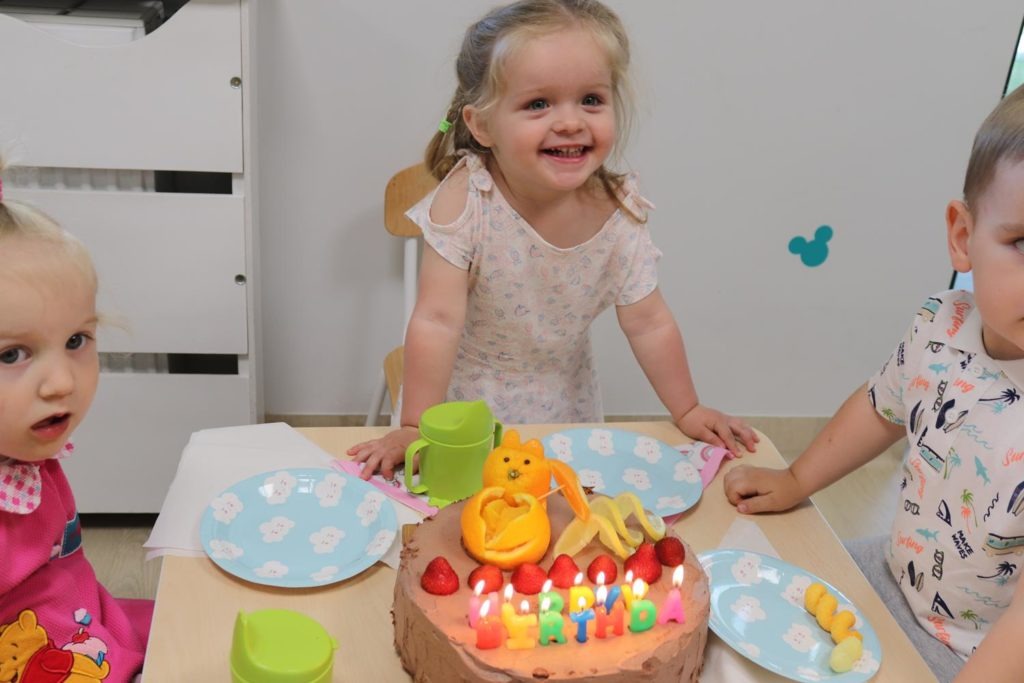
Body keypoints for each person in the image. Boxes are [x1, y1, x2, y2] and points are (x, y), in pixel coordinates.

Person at [349, 0, 758, 479]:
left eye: (591, 99)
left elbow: (649, 323)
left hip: (566, 406)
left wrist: (687, 409)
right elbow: (437, 321)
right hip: (461, 408)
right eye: (538, 104)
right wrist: (414, 425)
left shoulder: (619, 213)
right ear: (482, 125)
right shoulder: (468, 200)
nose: (570, 122)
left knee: (555, 511)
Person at [723, 86, 1024, 683]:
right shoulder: (943, 324)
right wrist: (795, 480)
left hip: (976, 656)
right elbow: (879, 408)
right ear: (962, 237)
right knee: (746, 608)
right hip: (894, 575)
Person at [0, 161, 152, 682]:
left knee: (198, 618)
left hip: (82, 612)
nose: (62, 382)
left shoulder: (21, 451)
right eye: (11, 355)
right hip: (32, 657)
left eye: (75, 341)